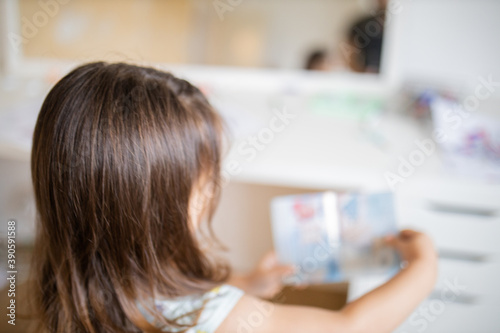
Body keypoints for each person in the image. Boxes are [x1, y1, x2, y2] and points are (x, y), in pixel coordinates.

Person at [29, 62, 437, 333]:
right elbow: (351, 327)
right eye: (205, 182)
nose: (212, 192)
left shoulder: (50, 286)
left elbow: (160, 294)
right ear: (156, 209)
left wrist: (249, 283)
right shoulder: (225, 319)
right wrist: (423, 266)